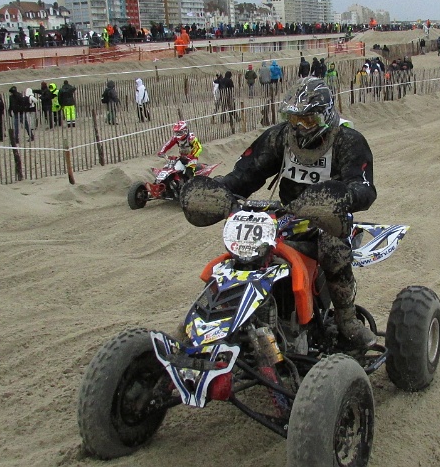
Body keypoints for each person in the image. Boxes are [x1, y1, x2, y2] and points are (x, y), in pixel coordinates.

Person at [180, 77, 378, 348]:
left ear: (326, 116)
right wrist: (220, 191)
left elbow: (364, 188)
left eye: (308, 121)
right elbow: (245, 174)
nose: (299, 127)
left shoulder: (347, 141)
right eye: (293, 119)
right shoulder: (280, 136)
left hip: (328, 218)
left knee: (333, 252)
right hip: (284, 217)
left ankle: (347, 320)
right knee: (244, 254)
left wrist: (342, 197)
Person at [157, 120, 202, 184]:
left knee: (189, 172)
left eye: (179, 133)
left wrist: (192, 155)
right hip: (182, 157)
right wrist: (162, 152)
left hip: (192, 158)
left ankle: (194, 185)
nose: (178, 135)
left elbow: (199, 148)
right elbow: (168, 144)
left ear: (185, 131)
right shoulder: (175, 138)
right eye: (176, 133)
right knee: (171, 168)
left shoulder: (191, 138)